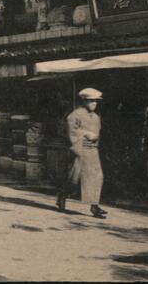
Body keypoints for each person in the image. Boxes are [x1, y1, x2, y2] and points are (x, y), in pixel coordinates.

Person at [56, 88, 107, 219]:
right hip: (79, 150)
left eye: (96, 101)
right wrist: (84, 134)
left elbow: (98, 134)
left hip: (92, 150)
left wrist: (95, 141)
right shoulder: (74, 115)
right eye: (91, 101)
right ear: (84, 101)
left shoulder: (96, 117)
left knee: (96, 177)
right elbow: (70, 132)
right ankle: (62, 195)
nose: (94, 103)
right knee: (75, 179)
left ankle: (94, 206)